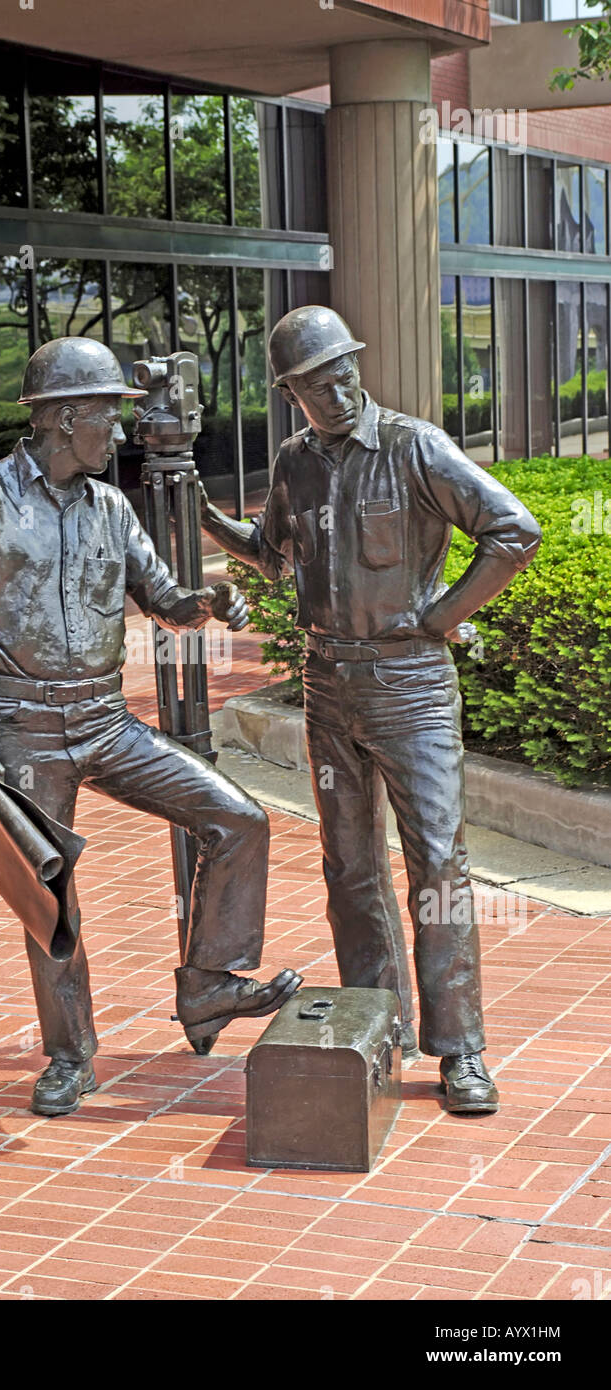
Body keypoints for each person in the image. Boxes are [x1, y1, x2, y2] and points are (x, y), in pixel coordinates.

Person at [0, 336, 301, 1117]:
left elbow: (165, 599)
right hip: (19, 725)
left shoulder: (111, 506)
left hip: (103, 719)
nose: (124, 434)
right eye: (110, 417)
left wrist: (212, 604)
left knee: (238, 819)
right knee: (50, 897)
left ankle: (208, 985)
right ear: (65, 419)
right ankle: (70, 1056)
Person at [199, 306, 542, 1114]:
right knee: (350, 869)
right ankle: (374, 1021)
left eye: (345, 371)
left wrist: (441, 617)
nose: (340, 391)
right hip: (328, 689)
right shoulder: (295, 462)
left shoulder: (415, 446)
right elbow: (277, 556)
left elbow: (513, 531)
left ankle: (460, 1050)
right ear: (293, 395)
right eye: (319, 384)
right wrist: (212, 522)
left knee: (438, 869)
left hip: (411, 690)